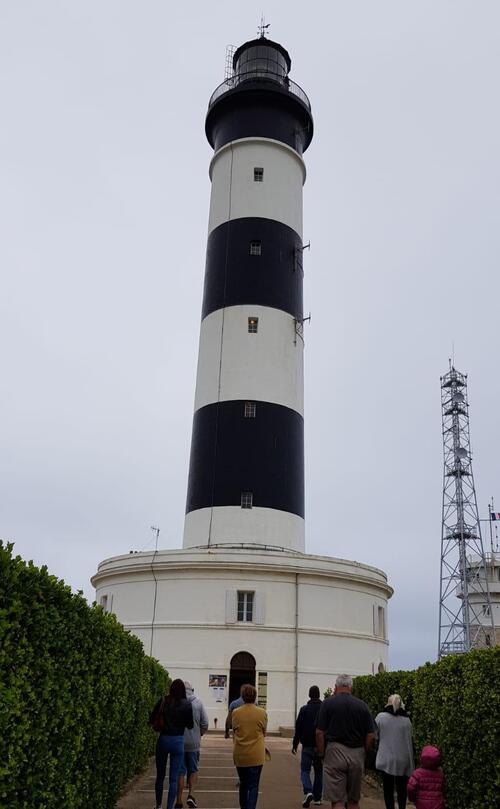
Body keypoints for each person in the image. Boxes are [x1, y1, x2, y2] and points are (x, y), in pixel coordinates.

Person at [315, 674, 376, 809]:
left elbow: (319, 733)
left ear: (336, 687)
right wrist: (364, 751)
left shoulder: (328, 704)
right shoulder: (362, 706)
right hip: (357, 753)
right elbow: (371, 735)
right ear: (351, 687)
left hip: (335, 752)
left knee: (337, 800)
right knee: (353, 801)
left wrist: (322, 753)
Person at [150, 679, 194, 809]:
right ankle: (169, 806)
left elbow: (152, 718)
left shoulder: (164, 701)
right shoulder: (187, 704)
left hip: (163, 739)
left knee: (160, 776)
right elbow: (190, 725)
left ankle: (158, 805)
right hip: (178, 741)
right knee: (174, 778)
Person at [231, 683, 268, 809]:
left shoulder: (236, 712)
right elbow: (264, 732)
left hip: (240, 753)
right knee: (253, 785)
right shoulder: (262, 713)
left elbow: (235, 731)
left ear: (243, 696)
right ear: (255, 697)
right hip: (256, 755)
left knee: (243, 783)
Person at [375, 694, 414, 809]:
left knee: (388, 790)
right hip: (404, 759)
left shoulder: (380, 717)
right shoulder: (407, 720)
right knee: (402, 790)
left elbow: (375, 736)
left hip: (386, 760)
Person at [176, 681, 209, 809]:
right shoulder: (198, 703)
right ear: (192, 689)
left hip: (179, 742)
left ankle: (178, 800)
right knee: (193, 770)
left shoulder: (177, 702)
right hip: (193, 744)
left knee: (180, 771)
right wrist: (198, 734)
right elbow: (205, 723)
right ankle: (191, 795)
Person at [292, 685, 323, 807]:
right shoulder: (323, 708)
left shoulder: (304, 709)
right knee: (319, 772)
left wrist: (295, 744)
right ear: (319, 694)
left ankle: (308, 791)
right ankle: (318, 798)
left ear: (309, 695)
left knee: (305, 770)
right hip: (320, 746)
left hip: (307, 745)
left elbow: (298, 728)